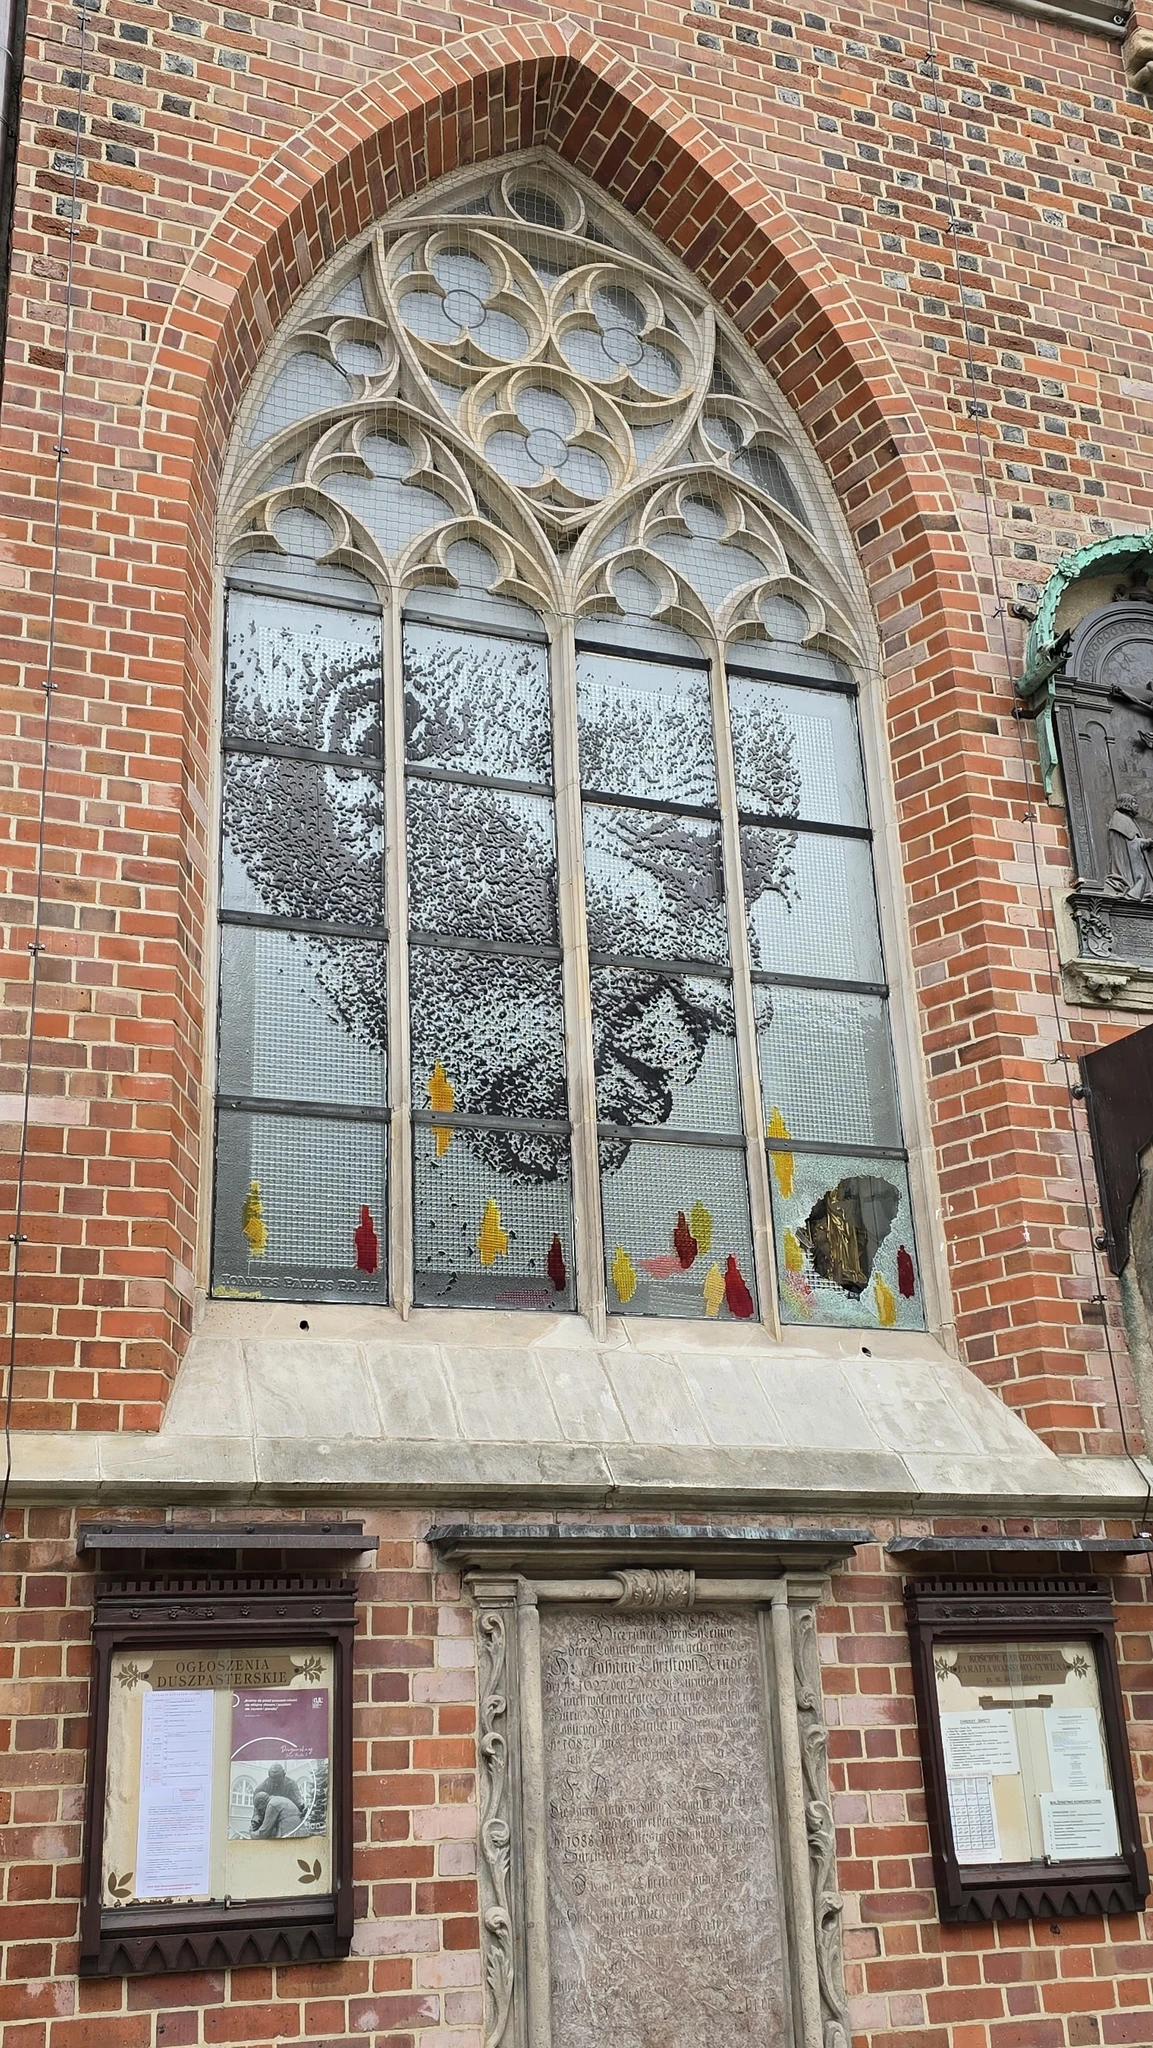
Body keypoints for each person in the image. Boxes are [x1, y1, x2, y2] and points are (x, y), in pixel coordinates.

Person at [249, 1761, 306, 1838]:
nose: (276, 1784)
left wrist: (302, 1804)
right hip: (268, 1818)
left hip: (286, 1819)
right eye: (273, 1781)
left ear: (284, 1775)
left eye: (278, 1781)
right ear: (269, 1776)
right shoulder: (261, 1788)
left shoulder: (291, 1784)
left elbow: (298, 1799)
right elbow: (258, 1809)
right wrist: (256, 1821)